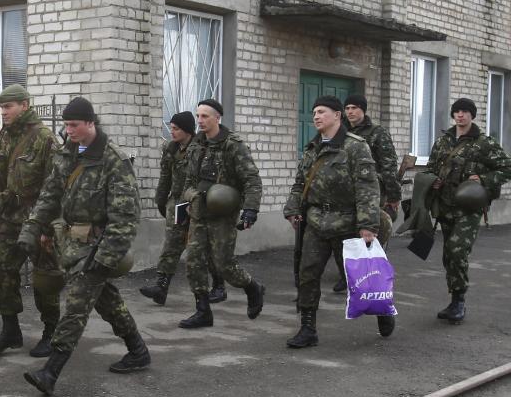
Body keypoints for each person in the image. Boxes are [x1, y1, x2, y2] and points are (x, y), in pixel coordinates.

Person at [20, 97, 149, 397]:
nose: (69, 130)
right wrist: (32, 228)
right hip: (72, 246)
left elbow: (126, 216)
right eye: (66, 125)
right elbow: (49, 195)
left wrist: (105, 257)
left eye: (75, 124)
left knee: (76, 306)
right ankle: (138, 351)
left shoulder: (114, 160)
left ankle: (50, 371)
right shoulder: (67, 153)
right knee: (107, 302)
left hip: (97, 248)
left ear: (91, 123)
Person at [283, 95, 386, 348]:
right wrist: (292, 208)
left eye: (321, 112)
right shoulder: (312, 147)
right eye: (314, 112)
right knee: (307, 274)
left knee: (360, 278)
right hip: (316, 222)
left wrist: (368, 225)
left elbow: (367, 187)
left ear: (337, 115)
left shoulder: (355, 146)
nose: (316, 116)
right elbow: (300, 183)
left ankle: (382, 311)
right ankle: (308, 328)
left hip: (348, 223)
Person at [0, 85, 61, 357]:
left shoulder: (44, 139)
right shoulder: (4, 136)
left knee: (43, 277)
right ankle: (10, 330)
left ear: (24, 105)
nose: (4, 112)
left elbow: (56, 186)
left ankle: (52, 332)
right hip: (10, 218)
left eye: (9, 107)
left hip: (37, 219)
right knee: (1, 269)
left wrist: (47, 227)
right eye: (1, 107)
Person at [176, 99, 265, 330]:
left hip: (222, 214)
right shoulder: (196, 144)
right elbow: (188, 180)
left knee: (224, 265)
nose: (200, 121)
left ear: (217, 118)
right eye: (198, 116)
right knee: (194, 262)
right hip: (198, 212)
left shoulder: (233, 145)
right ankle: (202, 311)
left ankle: (252, 287)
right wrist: (189, 197)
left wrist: (250, 210)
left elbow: (252, 180)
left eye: (205, 116)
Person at [426, 98, 511, 323]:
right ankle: (454, 298)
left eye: (465, 112)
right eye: (457, 111)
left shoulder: (484, 143)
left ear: (472, 115)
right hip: (445, 206)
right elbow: (431, 168)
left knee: (457, 250)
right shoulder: (443, 142)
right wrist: (433, 181)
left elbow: (506, 167)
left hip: (469, 208)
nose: (460, 115)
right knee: (448, 256)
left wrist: (483, 179)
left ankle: (459, 302)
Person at [139, 111, 225, 306]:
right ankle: (161, 287)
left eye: (176, 128)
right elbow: (165, 177)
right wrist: (161, 200)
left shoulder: (200, 148)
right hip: (176, 203)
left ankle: (219, 286)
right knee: (171, 244)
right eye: (171, 127)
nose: (172, 131)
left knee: (204, 249)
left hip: (196, 203)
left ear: (186, 130)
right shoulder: (171, 149)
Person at [326, 94, 401, 292]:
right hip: (344, 193)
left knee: (367, 233)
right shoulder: (339, 132)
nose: (350, 111)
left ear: (363, 110)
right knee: (343, 234)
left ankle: (370, 276)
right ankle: (348, 275)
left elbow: (389, 164)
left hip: (370, 192)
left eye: (355, 108)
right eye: (348, 108)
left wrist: (393, 195)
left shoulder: (377, 133)